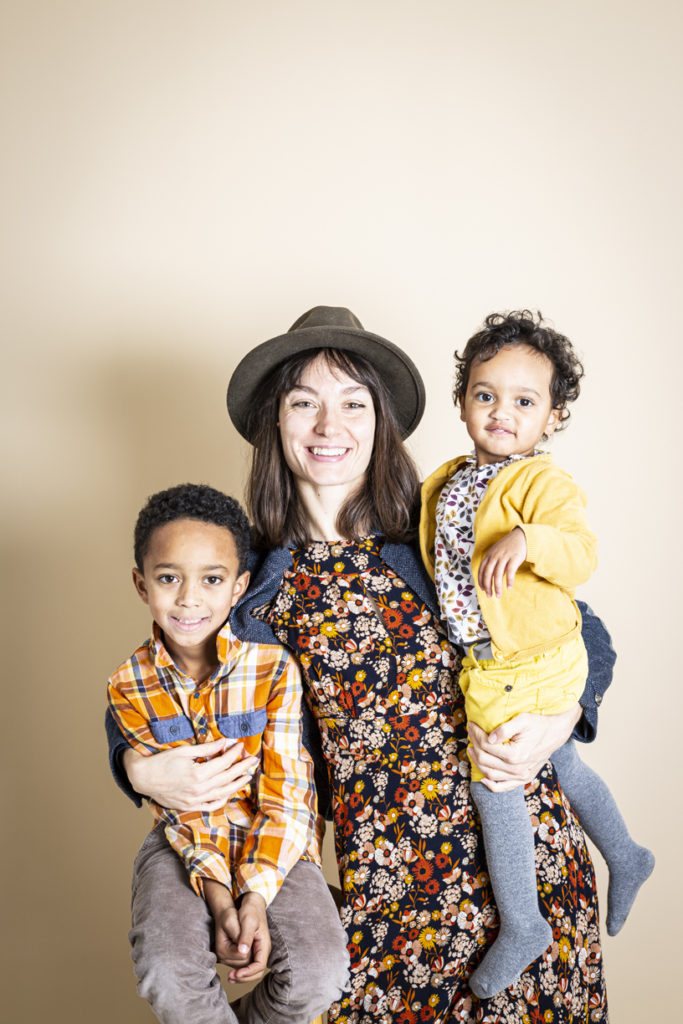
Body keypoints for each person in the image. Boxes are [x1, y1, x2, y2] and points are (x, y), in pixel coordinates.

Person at [106, 306, 616, 1023]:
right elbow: (165, 675)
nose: (328, 426)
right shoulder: (250, 585)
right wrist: (130, 763)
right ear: (273, 424)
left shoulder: (439, 539)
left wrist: (562, 716)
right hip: (384, 890)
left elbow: (579, 629)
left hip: (517, 873)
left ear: (380, 422)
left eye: (352, 404)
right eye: (303, 403)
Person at [419, 311, 654, 999]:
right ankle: (626, 853)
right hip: (493, 660)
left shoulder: (541, 485)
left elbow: (580, 553)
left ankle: (522, 923)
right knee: (563, 761)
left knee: (494, 780)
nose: (500, 412)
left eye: (524, 401)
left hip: (532, 658)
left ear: (552, 416)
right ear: (461, 400)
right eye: (484, 394)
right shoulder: (446, 480)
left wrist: (526, 539)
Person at [106, 483, 349, 1024]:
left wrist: (255, 900)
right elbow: (178, 806)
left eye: (211, 580)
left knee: (320, 974)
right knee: (167, 973)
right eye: (169, 578)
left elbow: (288, 794)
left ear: (239, 586)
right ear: (141, 584)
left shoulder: (273, 669)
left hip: (277, 838)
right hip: (181, 841)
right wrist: (220, 900)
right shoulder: (128, 684)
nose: (189, 599)